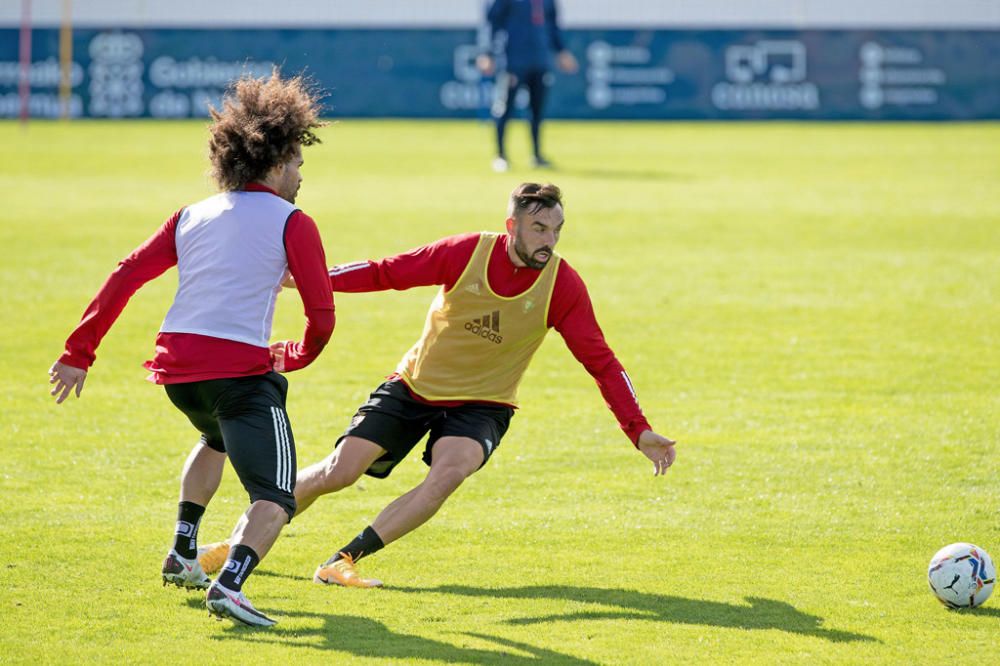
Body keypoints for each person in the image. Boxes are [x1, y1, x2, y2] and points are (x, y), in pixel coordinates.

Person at [197, 182, 676, 588]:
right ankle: (235, 544)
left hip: (483, 405)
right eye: (539, 229)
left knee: (451, 471)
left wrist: (639, 430)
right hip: (413, 386)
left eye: (556, 230)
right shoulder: (466, 252)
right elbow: (389, 271)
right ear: (512, 227)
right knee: (340, 471)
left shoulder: (562, 286)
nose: (549, 240)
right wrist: (313, 280)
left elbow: (603, 363)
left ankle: (343, 562)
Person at [48, 71, 334, 627]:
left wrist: (79, 352)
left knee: (214, 437)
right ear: (274, 163)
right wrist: (293, 355)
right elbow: (321, 317)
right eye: (298, 162)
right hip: (238, 376)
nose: (301, 174)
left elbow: (126, 273)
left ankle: (183, 552)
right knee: (275, 498)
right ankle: (231, 585)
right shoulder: (293, 221)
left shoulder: (191, 215)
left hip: (179, 375)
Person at [477, 0, 579, 172]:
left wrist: (562, 51)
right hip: (513, 61)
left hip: (540, 60)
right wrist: (488, 53)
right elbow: (493, 23)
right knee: (505, 107)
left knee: (537, 110)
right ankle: (501, 155)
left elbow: (552, 25)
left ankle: (537, 156)